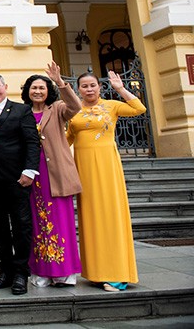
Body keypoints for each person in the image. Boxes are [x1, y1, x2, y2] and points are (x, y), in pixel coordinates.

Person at [67, 70, 146, 292]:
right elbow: (65, 140)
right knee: (90, 218)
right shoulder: (74, 111)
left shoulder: (111, 106)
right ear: (78, 89)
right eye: (84, 86)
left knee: (111, 216)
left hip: (107, 167)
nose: (89, 89)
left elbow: (139, 109)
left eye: (93, 85)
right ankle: (96, 272)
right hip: (84, 169)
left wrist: (120, 89)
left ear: (99, 87)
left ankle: (117, 275)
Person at [0, 72, 41, 295]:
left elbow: (32, 143)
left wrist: (29, 171)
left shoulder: (22, 110)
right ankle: (5, 269)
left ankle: (21, 272)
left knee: (22, 226)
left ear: (5, 87)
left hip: (17, 179)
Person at [21, 62, 82, 288]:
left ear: (48, 91)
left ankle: (64, 272)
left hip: (55, 173)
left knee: (60, 221)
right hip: (31, 174)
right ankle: (42, 271)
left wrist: (60, 82)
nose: (37, 91)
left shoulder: (57, 108)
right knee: (37, 222)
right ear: (27, 91)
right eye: (34, 88)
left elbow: (76, 108)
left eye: (42, 88)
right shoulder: (22, 112)